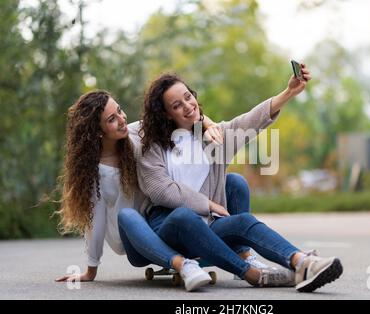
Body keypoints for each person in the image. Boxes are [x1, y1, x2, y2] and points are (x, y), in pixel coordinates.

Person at [132, 66, 343, 292]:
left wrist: (289, 92)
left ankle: (303, 263)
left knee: (241, 213)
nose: (187, 106)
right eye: (176, 105)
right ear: (165, 113)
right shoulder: (150, 145)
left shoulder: (213, 138)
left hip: (206, 227)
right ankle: (246, 269)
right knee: (184, 215)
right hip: (169, 229)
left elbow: (250, 121)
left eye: (188, 97)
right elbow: (162, 191)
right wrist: (208, 204)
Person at [54, 90, 265, 291]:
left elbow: (176, 116)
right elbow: (96, 221)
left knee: (234, 182)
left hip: (164, 221)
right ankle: (184, 265)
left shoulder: (134, 135)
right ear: (97, 131)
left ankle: (243, 255)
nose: (121, 119)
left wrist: (208, 124)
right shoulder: (96, 172)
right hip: (138, 241)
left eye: (119, 110)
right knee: (128, 215)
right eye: (112, 119)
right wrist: (91, 270)